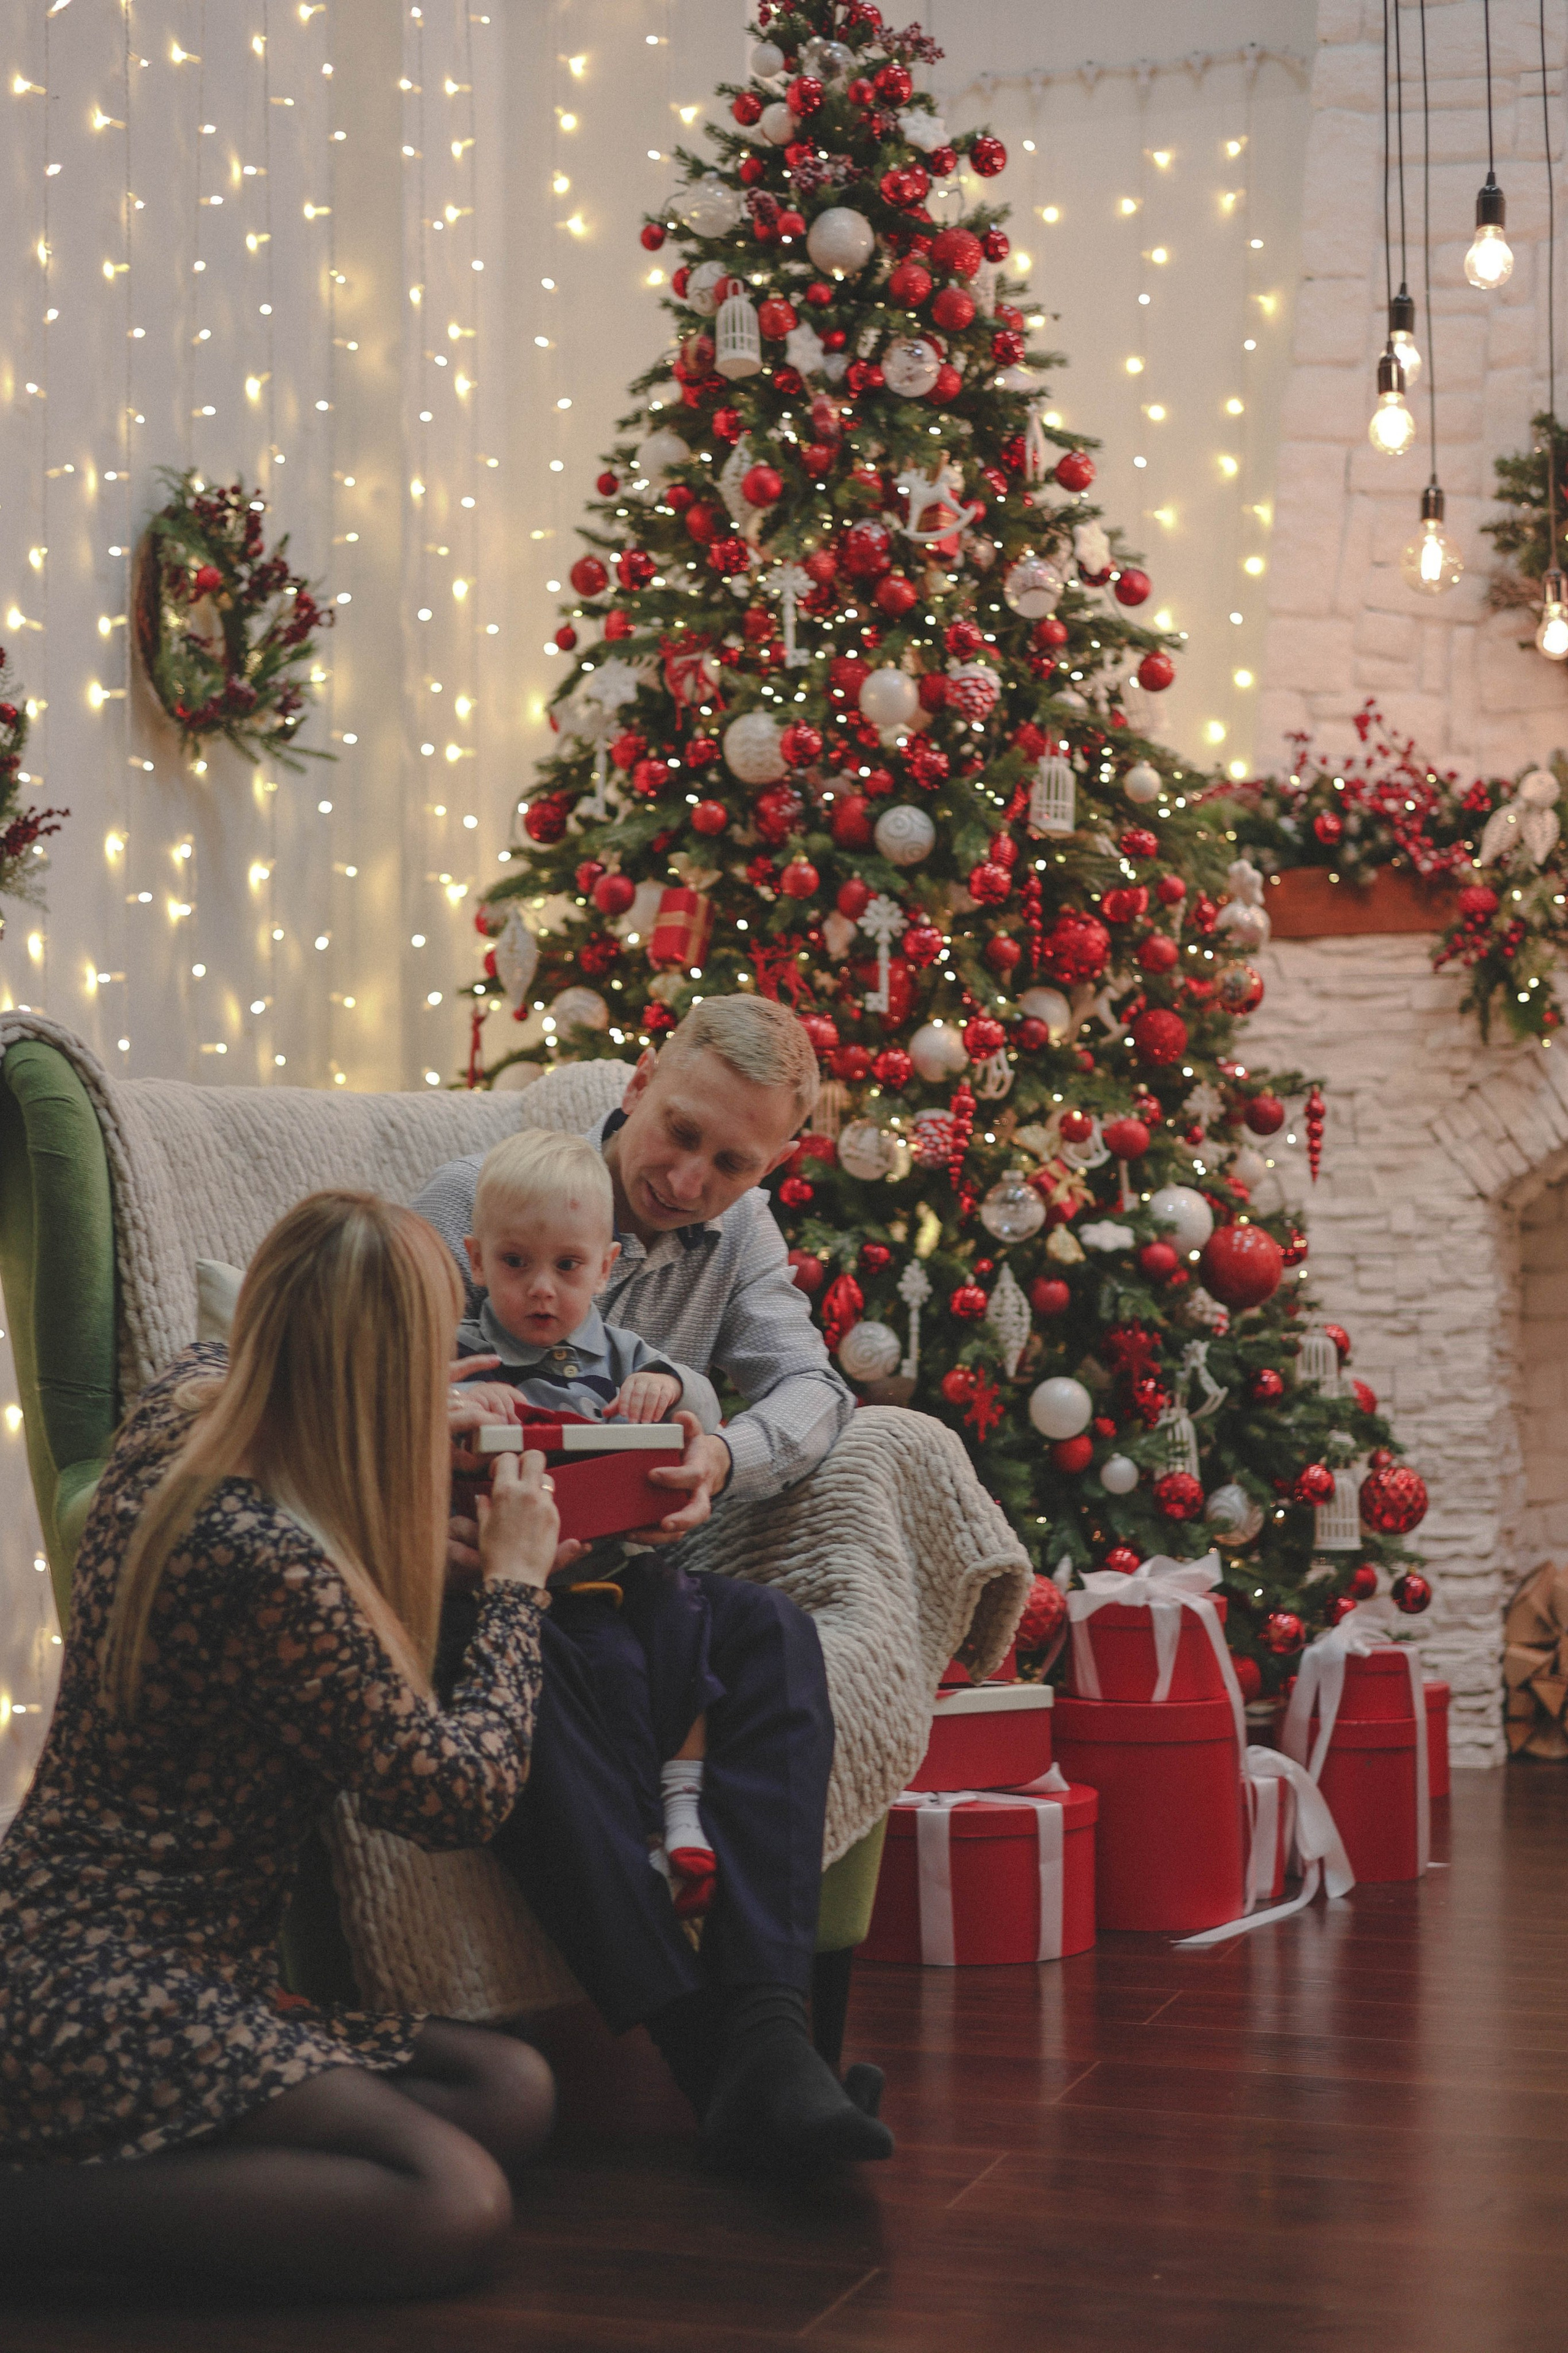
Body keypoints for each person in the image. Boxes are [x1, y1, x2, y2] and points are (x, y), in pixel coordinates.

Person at [0, 1192, 563, 2303]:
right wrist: (515, 1584)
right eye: (431, 1347)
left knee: (512, 2088)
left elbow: (222, 1346)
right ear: (379, 1369)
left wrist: (400, 1392)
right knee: (454, 2200)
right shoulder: (270, 1563)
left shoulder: (178, 1416)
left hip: (168, 1967)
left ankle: (151, 2157)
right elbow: (458, 1792)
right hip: (100, 1987)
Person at [415, 995, 892, 2172]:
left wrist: (721, 1455)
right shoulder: (476, 1204)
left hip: (633, 1576)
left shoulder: (744, 1238)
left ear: (773, 1160)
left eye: (733, 1162)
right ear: (640, 1078)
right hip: (486, 1585)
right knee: (549, 1684)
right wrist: (424, 1448)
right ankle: (715, 2056)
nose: (689, 1178)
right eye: (679, 1134)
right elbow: (319, 1360)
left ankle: (772, 2029)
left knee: (773, 1633)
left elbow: (816, 1389)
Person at [453, 1125, 726, 1915]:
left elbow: (692, 1402)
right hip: (521, 1581)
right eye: (515, 1264)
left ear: (606, 1269)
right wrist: (461, 1400)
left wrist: (665, 1391)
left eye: (568, 1267)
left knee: (685, 1621)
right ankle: (639, 1831)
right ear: (476, 1261)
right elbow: (404, 1402)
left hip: (616, 1556)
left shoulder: (622, 1353)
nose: (543, 1290)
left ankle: (685, 1806)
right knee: (609, 1665)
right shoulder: (465, 1352)